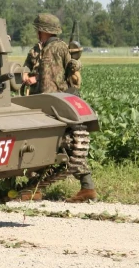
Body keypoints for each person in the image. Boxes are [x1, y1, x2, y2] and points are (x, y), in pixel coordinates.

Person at [33, 13, 97, 203]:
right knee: (45, 144)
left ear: (43, 30)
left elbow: (67, 70)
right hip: (51, 102)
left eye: (38, 29)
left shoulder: (56, 47)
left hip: (54, 104)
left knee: (63, 143)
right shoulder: (46, 48)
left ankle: (87, 187)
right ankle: (36, 188)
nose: (37, 33)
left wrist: (75, 66)